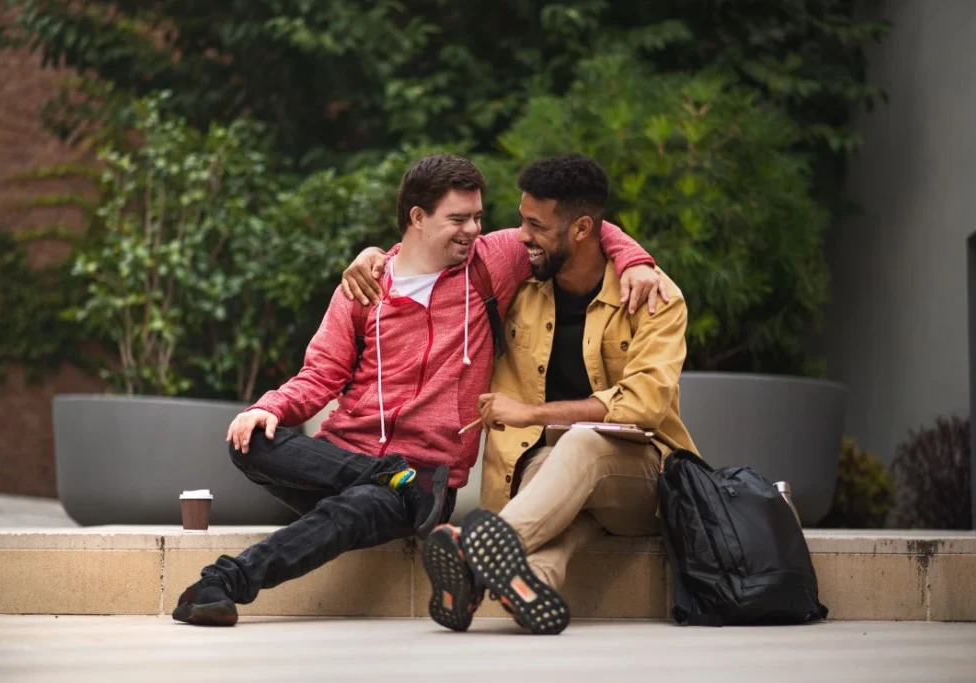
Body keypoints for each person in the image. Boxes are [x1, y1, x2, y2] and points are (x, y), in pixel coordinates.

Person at [172, 154, 664, 626]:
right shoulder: (365, 287)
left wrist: (636, 260)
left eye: (478, 216)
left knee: (363, 506)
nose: (474, 229)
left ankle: (224, 582)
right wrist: (269, 407)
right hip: (351, 461)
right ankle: (388, 474)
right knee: (250, 439)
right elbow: (320, 374)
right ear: (417, 217)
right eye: (458, 219)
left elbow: (579, 226)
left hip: (430, 477)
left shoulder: (490, 264)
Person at [421, 153, 699, 635]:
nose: (522, 235)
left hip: (644, 482)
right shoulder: (518, 289)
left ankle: (473, 553)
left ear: (582, 230)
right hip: (554, 479)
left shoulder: (654, 296)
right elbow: (426, 253)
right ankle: (532, 582)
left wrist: (530, 413)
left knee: (581, 443)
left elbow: (645, 404)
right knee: (558, 469)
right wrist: (371, 260)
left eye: (536, 225)